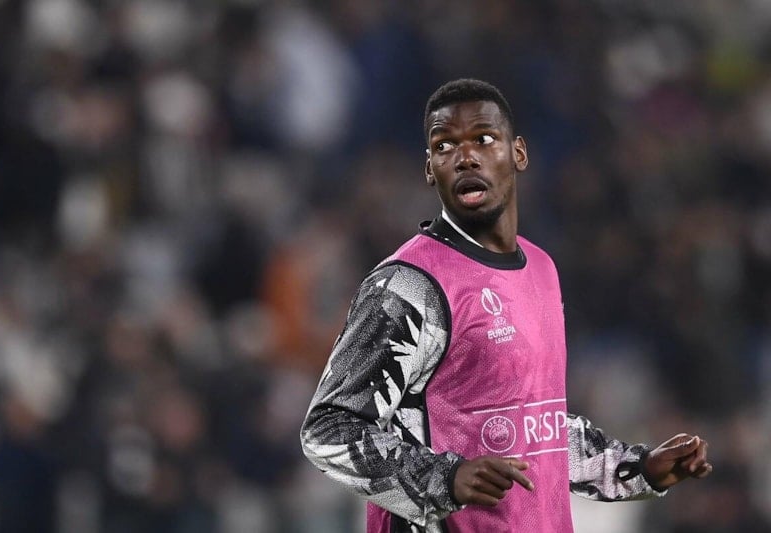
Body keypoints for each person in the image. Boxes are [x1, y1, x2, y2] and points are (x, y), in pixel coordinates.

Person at [300, 78, 712, 533]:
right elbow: (328, 428)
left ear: (518, 153)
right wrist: (445, 479)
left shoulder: (542, 269)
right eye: (444, 145)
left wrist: (636, 469)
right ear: (430, 168)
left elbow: (534, 427)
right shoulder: (407, 286)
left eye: (483, 138)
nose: (465, 157)